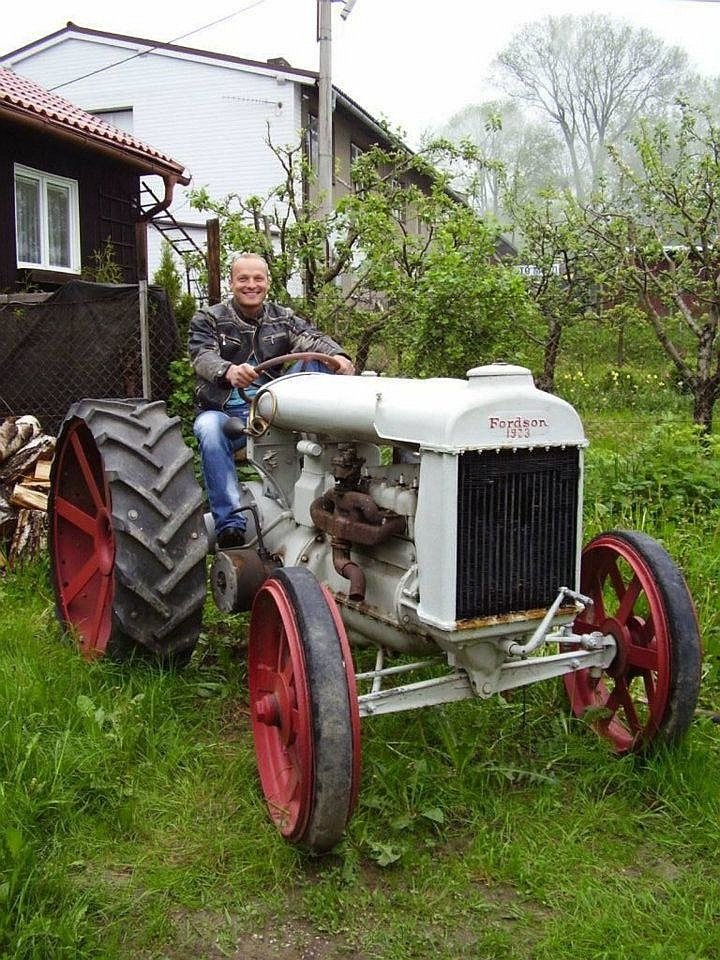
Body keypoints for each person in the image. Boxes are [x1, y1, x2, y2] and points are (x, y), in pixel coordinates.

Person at [188, 252, 355, 548]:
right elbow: (202, 356)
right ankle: (230, 524)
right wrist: (227, 371)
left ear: (267, 282)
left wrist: (339, 357)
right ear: (231, 282)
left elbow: (312, 339)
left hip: (273, 409)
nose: (251, 285)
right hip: (227, 412)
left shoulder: (282, 318)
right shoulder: (209, 318)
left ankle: (329, 495)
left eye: (257, 279)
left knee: (317, 365)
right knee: (208, 430)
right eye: (243, 279)